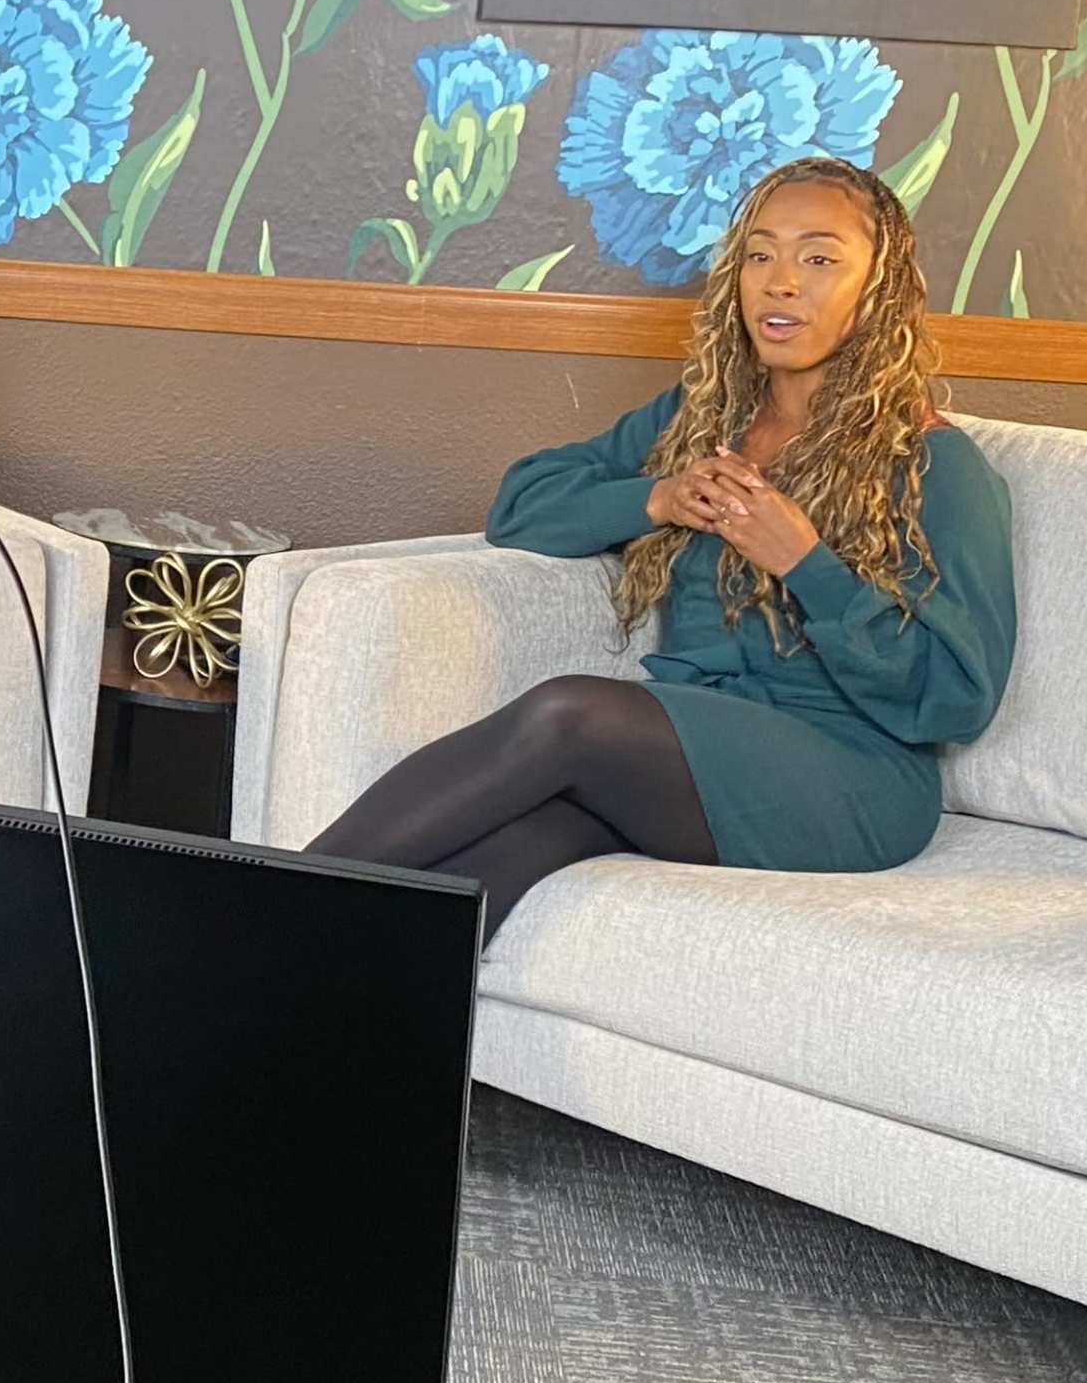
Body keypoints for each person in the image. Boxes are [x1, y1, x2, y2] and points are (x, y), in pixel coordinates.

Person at [306, 155, 1014, 913]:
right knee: (494, 860)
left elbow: (956, 698)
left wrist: (805, 561)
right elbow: (523, 507)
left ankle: (247, 903)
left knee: (567, 716)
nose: (780, 281)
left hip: (852, 776)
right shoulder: (700, 422)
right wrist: (661, 498)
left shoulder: (934, 462)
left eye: (819, 258)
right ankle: (305, 1020)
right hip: (697, 743)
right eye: (760, 254)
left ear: (879, 288)